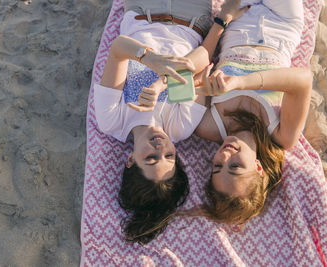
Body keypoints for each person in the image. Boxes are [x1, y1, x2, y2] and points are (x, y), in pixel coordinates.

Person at [94, 0, 247, 244]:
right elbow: (202, 61)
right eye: (170, 157)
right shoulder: (180, 126)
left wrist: (151, 59)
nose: (161, 148)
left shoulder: (112, 119)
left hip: (141, 12)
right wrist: (222, 20)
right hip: (193, 19)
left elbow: (118, 48)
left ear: (131, 160)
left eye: (151, 158)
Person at [191, 0, 312, 226]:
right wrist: (240, 83)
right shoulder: (281, 134)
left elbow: (197, 73)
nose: (224, 156)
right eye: (235, 167)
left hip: (237, 25)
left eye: (217, 166)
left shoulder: (208, 125)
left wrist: (223, 20)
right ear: (258, 168)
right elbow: (303, 80)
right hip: (282, 27)